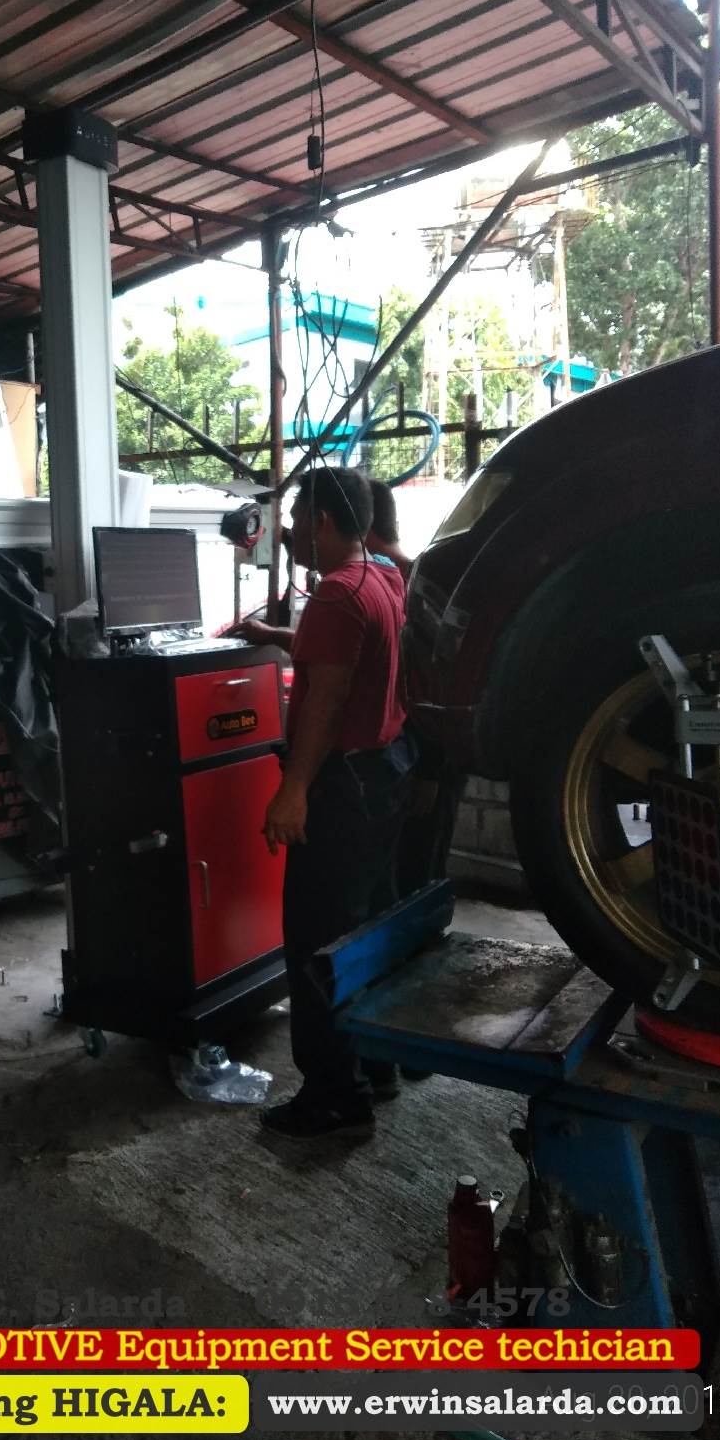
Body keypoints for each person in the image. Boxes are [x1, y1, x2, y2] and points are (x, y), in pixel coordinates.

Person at [237, 466, 415, 1139]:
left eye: (293, 521)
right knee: (364, 929)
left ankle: (333, 1097)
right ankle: (374, 1065)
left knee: (316, 944)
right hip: (385, 773)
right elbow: (341, 658)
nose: (288, 535)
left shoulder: (336, 594)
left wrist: (292, 790)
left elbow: (327, 700)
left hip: (341, 784)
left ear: (320, 521)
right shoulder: (380, 576)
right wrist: (276, 636)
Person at [364, 478, 466, 898]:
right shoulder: (400, 577)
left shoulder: (414, 586)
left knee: (416, 876)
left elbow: (442, 684)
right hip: (412, 757)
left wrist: (431, 770)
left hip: (429, 760)